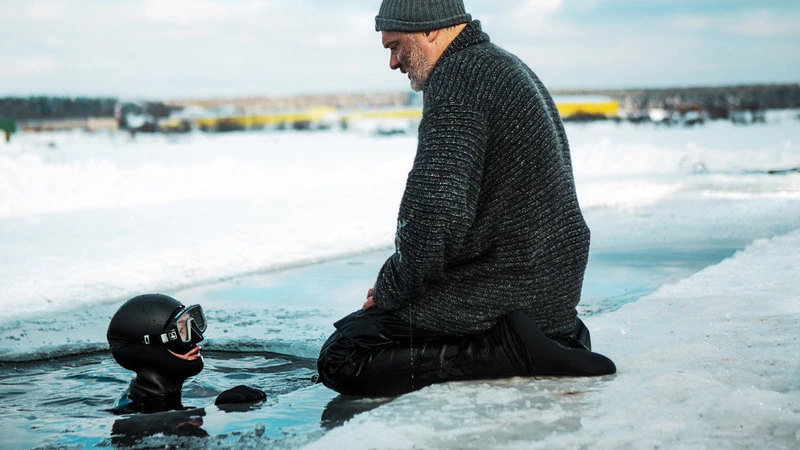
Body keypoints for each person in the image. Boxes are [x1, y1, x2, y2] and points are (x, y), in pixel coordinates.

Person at [316, 0, 616, 396]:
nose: (392, 62)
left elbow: (437, 210)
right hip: (546, 295)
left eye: (396, 47)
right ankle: (541, 341)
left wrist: (390, 289)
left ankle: (509, 350)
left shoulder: (458, 76)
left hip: (510, 290)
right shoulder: (499, 64)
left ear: (431, 31)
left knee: (343, 354)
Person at [106, 293, 266, 414]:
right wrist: (215, 412)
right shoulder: (137, 415)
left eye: (193, 325)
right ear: (149, 348)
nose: (198, 339)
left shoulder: (162, 395)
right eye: (182, 332)